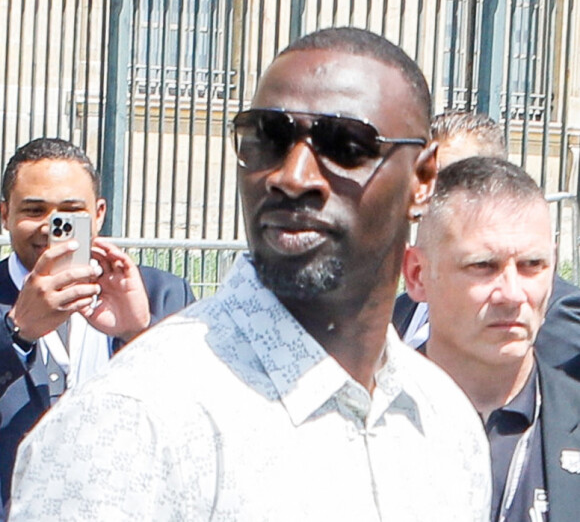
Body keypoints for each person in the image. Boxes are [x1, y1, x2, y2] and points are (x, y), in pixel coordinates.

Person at [9, 28, 491, 520]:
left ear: (423, 179)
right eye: (269, 140)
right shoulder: (131, 420)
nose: (293, 176)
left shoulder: (445, 421)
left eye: (346, 145)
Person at [0, 138, 195, 513]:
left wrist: (138, 335)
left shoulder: (161, 294)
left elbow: (205, 406)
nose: (51, 227)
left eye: (71, 212)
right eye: (34, 210)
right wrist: (16, 334)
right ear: (5, 215)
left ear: (99, 213)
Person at [403, 156, 580, 522]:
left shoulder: (569, 416)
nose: (512, 294)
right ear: (418, 274)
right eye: (483, 266)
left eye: (533, 265)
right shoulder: (354, 423)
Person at [393, 110, 580, 367]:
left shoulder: (557, 315)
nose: (432, 196)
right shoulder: (402, 309)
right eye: (426, 179)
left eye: (460, 180)